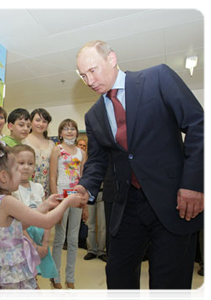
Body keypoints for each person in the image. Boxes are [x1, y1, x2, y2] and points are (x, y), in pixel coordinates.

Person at [75, 40, 207, 300]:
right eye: (82, 76)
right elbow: (98, 161)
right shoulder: (93, 115)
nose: (89, 81)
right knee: (118, 278)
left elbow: (198, 126)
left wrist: (193, 184)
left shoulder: (157, 78)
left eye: (92, 70)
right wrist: (85, 186)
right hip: (125, 208)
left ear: (111, 59)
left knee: (170, 285)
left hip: (173, 200)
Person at [0, 143, 87, 299]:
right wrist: (67, 202)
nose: (20, 172)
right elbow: (47, 222)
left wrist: (45, 205)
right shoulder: (7, 201)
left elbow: (16, 226)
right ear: (3, 176)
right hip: (8, 268)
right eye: (16, 169)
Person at [11, 144, 59, 298]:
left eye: (30, 164)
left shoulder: (38, 187)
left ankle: (34, 286)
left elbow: (46, 217)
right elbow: (18, 224)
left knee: (35, 273)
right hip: (24, 241)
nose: (26, 167)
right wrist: (33, 245)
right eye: (21, 163)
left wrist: (45, 243)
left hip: (40, 239)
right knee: (25, 275)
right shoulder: (13, 190)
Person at [49, 119, 88, 300]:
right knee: (59, 238)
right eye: (66, 128)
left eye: (73, 128)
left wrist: (84, 204)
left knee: (73, 239)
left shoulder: (81, 152)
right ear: (61, 132)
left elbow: (84, 178)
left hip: (77, 198)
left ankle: (70, 280)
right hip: (62, 198)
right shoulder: (57, 149)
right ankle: (55, 279)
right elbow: (53, 176)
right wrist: (56, 200)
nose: (70, 131)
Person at [23, 108, 55, 198]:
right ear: (31, 121)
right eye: (37, 120)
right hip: (26, 186)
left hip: (46, 189)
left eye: (44, 121)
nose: (41, 124)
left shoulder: (52, 144)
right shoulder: (23, 140)